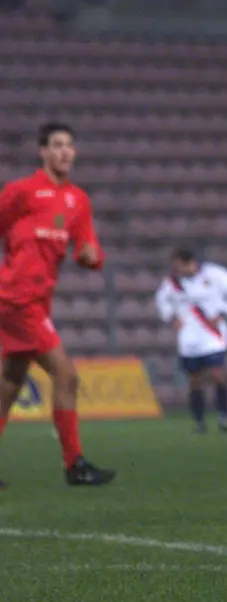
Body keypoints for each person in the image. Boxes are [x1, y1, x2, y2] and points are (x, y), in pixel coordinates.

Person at [0, 122, 116, 487]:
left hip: (37, 300)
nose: (65, 151)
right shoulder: (22, 192)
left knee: (9, 383)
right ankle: (74, 464)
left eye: (70, 145)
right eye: (57, 145)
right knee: (66, 375)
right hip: (18, 297)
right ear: (44, 151)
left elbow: (89, 249)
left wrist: (91, 257)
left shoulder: (78, 200)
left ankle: (74, 465)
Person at [155, 249, 227, 434]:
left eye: (178, 265)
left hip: (212, 335)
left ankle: (224, 417)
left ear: (189, 262)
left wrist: (224, 312)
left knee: (218, 375)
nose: (176, 269)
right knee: (195, 380)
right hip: (189, 338)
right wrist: (171, 317)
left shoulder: (213, 274)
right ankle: (199, 421)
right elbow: (162, 301)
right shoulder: (173, 283)